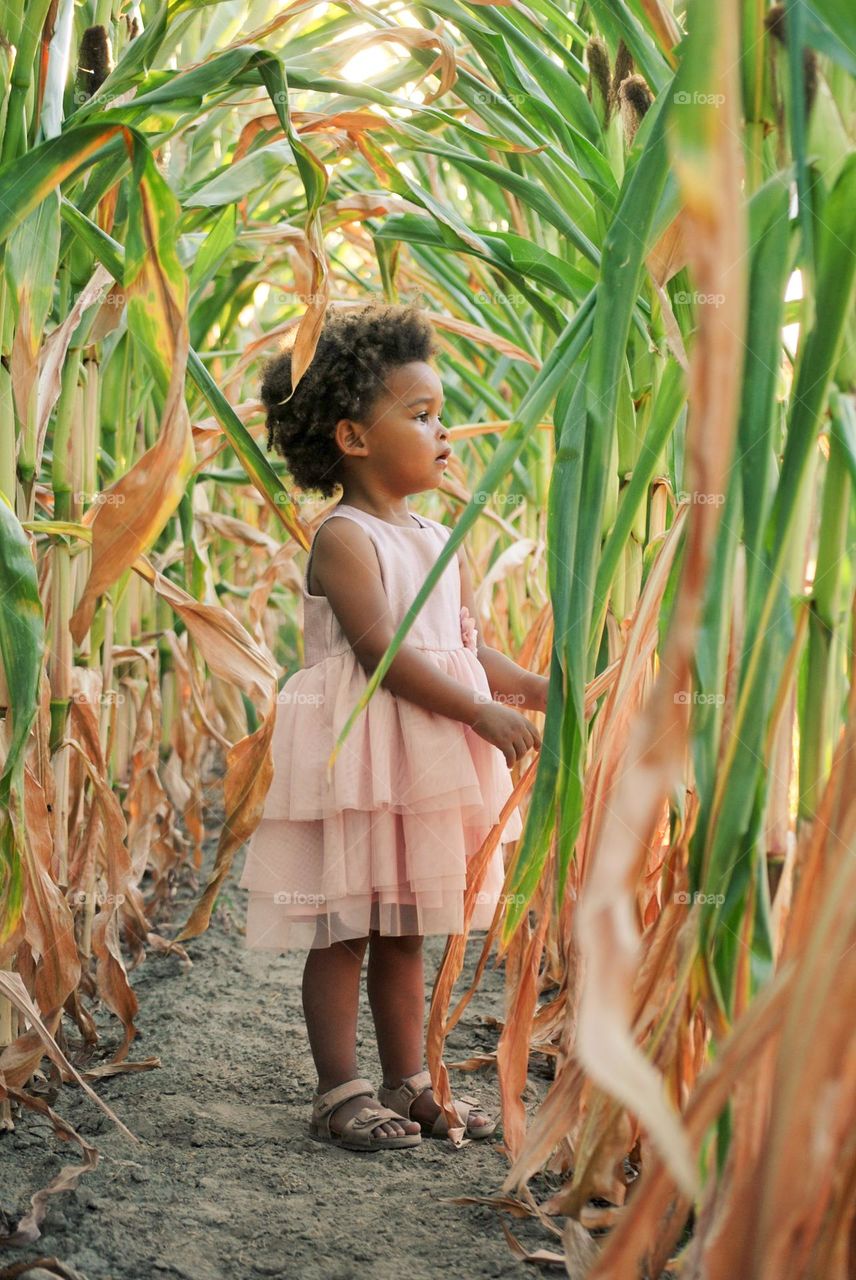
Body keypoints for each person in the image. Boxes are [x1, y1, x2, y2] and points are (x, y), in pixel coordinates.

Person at [238, 301, 548, 1153]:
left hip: (421, 758)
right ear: (352, 438)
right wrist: (478, 712)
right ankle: (339, 1089)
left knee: (405, 925)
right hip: (363, 753)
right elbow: (380, 651)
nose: (444, 432)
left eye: (440, 413)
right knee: (345, 928)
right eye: (421, 416)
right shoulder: (344, 536)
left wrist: (533, 689)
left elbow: (467, 649)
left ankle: (410, 1080)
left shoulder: (439, 537)